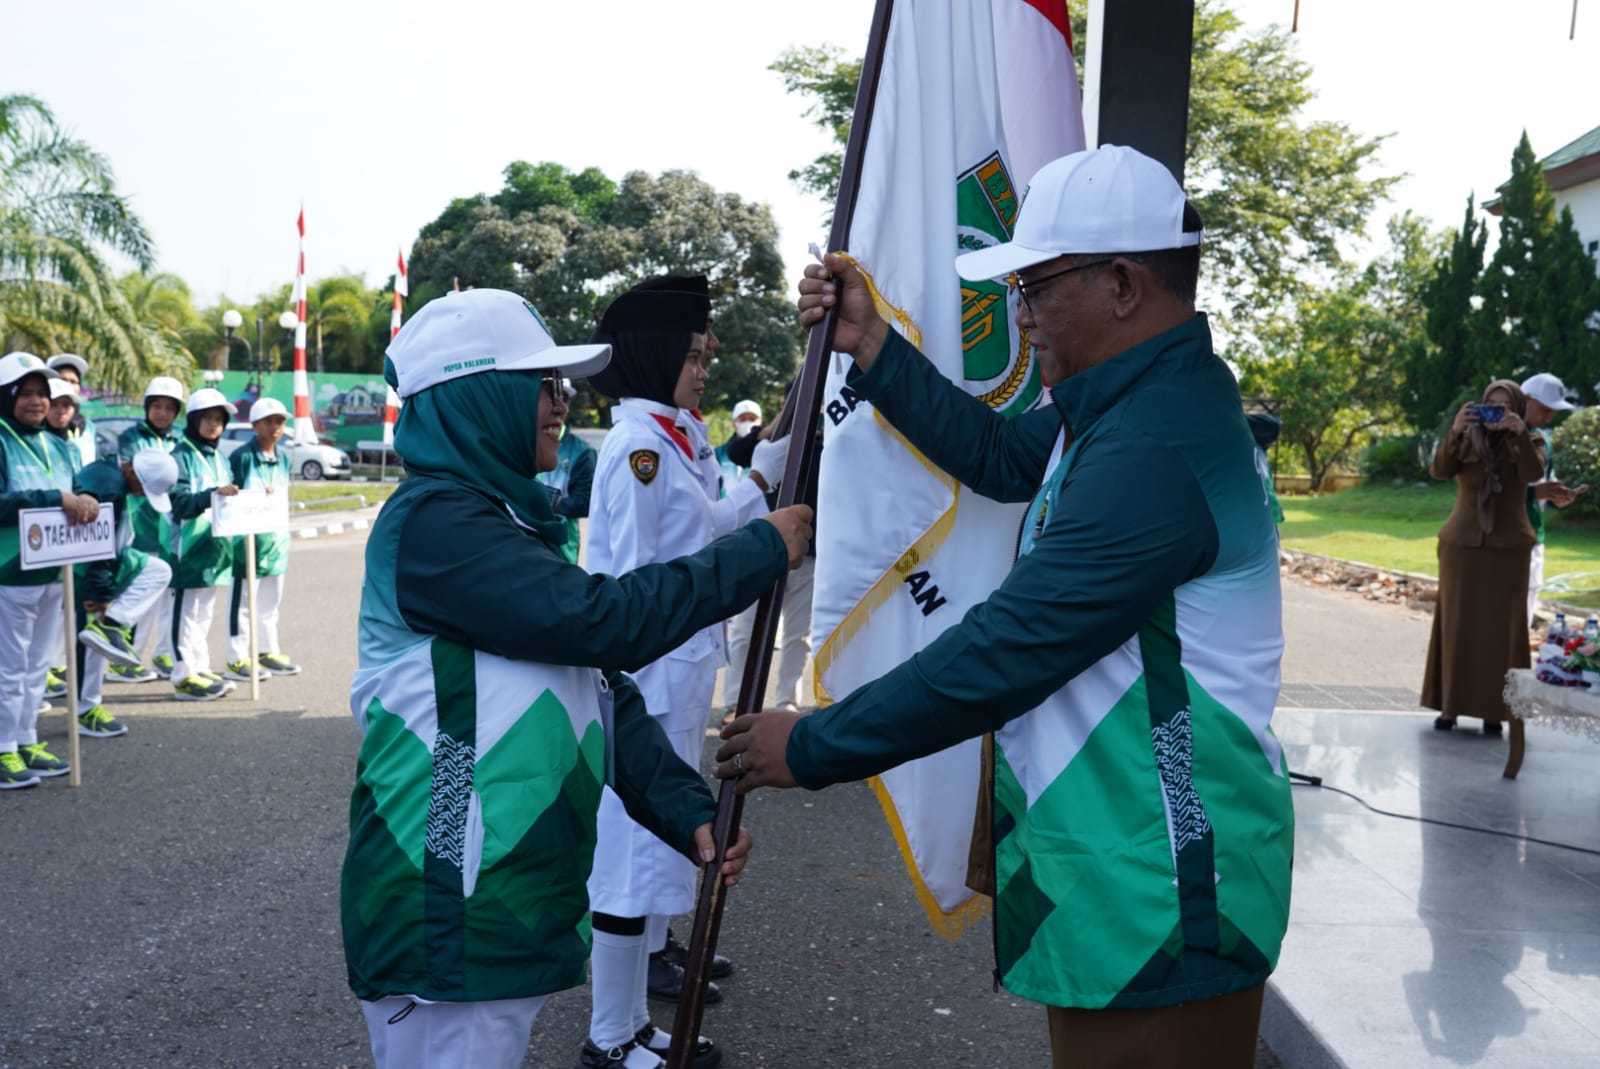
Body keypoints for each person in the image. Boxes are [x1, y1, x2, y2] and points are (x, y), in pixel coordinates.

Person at [720, 146, 1294, 1068]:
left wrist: (815, 743)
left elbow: (1011, 646)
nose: (1019, 315)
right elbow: (997, 457)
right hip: (1125, 860)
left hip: (1162, 879)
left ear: (1119, 284)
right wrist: (870, 343)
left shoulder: (1155, 444)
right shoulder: (1119, 406)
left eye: (1033, 286)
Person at [340, 287, 810, 1069]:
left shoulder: (502, 520)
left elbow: (592, 682)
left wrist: (683, 805)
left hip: (494, 903)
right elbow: (606, 623)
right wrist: (761, 549)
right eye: (544, 386)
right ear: (480, 397)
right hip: (446, 901)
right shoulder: (434, 525)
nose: (562, 403)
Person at [583, 279, 789, 1065]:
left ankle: (634, 1023)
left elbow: (704, 532)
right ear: (657, 354)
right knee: (628, 861)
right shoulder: (636, 451)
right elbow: (637, 586)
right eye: (694, 354)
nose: (704, 368)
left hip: (676, 677)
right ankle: (608, 1037)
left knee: (654, 855)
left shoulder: (673, 439)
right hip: (645, 682)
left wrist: (764, 480)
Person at [1421, 381, 1547, 735]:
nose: (1497, 413)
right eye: (1491, 405)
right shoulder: (1466, 440)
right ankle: (1450, 707)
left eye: (1505, 407)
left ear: (1518, 410)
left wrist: (1518, 433)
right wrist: (1457, 430)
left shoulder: (1530, 441)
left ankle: (1496, 710)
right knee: (1457, 624)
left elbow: (1531, 475)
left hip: (1508, 548)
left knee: (1503, 631)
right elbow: (1441, 471)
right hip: (1462, 545)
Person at [0, 352, 99, 789]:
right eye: (27, 393)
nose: (38, 402)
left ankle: (26, 738)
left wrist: (88, 498)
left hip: (54, 569)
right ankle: (3, 748)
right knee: (9, 666)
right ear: (8, 396)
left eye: (43, 393)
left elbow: (77, 490)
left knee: (39, 663)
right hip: (9, 570)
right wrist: (53, 498)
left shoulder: (59, 443)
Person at [69, 450, 181, 739]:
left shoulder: (111, 476)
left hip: (111, 560)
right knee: (88, 637)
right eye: (143, 489)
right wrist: (101, 592)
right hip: (88, 568)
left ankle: (112, 624)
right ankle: (85, 708)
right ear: (131, 472)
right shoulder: (110, 489)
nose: (143, 496)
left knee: (158, 571)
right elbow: (95, 545)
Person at [166, 388, 241, 701]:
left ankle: (200, 666)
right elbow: (178, 503)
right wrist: (211, 494)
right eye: (208, 418)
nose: (214, 425)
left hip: (215, 550)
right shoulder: (180, 457)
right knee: (185, 613)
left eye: (219, 419)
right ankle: (183, 674)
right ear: (194, 420)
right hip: (188, 550)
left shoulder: (221, 458)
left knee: (204, 612)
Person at [113, 376, 187, 683]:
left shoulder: (179, 441)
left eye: (169, 408)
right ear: (147, 407)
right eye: (156, 406)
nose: (162, 413)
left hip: (168, 527)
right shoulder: (132, 438)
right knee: (135, 593)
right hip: (139, 524)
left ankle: (161, 654)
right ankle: (123, 658)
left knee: (164, 596)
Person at [224, 397, 300, 679]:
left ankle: (267, 650)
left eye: (280, 421)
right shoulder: (242, 457)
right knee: (243, 602)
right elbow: (232, 497)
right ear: (255, 425)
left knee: (270, 602)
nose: (275, 427)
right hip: (248, 544)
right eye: (269, 421)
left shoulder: (283, 458)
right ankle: (236, 657)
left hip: (276, 543)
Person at [1518, 372, 1584, 624]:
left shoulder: (1544, 440)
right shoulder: (1499, 437)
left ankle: (1517, 659)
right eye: (1544, 409)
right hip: (1502, 535)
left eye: (1553, 412)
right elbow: (1489, 489)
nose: (1548, 417)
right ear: (1524, 399)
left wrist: (1558, 495)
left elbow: (1544, 481)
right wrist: (1535, 493)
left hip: (1534, 532)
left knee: (1528, 598)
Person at [715, 401, 762, 719]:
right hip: (728, 545)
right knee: (739, 633)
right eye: (742, 419)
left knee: (782, 634)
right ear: (733, 423)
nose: (747, 423)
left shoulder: (765, 448)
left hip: (762, 545)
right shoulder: (718, 455)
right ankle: (734, 702)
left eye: (752, 419)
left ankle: (782, 701)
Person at [534, 381, 597, 564]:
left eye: (564, 397)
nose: (559, 404)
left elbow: (585, 502)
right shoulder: (521, 441)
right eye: (550, 395)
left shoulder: (581, 451)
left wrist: (536, 504)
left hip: (563, 552)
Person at [47, 353, 98, 466]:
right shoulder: (39, 427)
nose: (68, 385)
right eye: (63, 379)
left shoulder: (88, 428)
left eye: (73, 381)